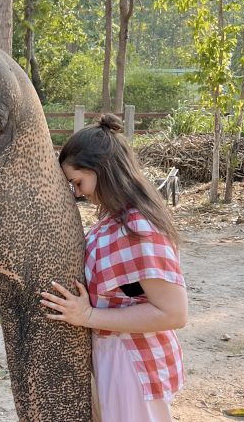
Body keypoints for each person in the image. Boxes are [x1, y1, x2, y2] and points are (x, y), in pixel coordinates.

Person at [40, 114, 188, 422]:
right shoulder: (114, 221)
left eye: (77, 182)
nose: (77, 192)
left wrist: (89, 316)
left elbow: (174, 313)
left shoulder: (140, 228)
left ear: (101, 169)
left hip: (132, 362)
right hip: (113, 357)